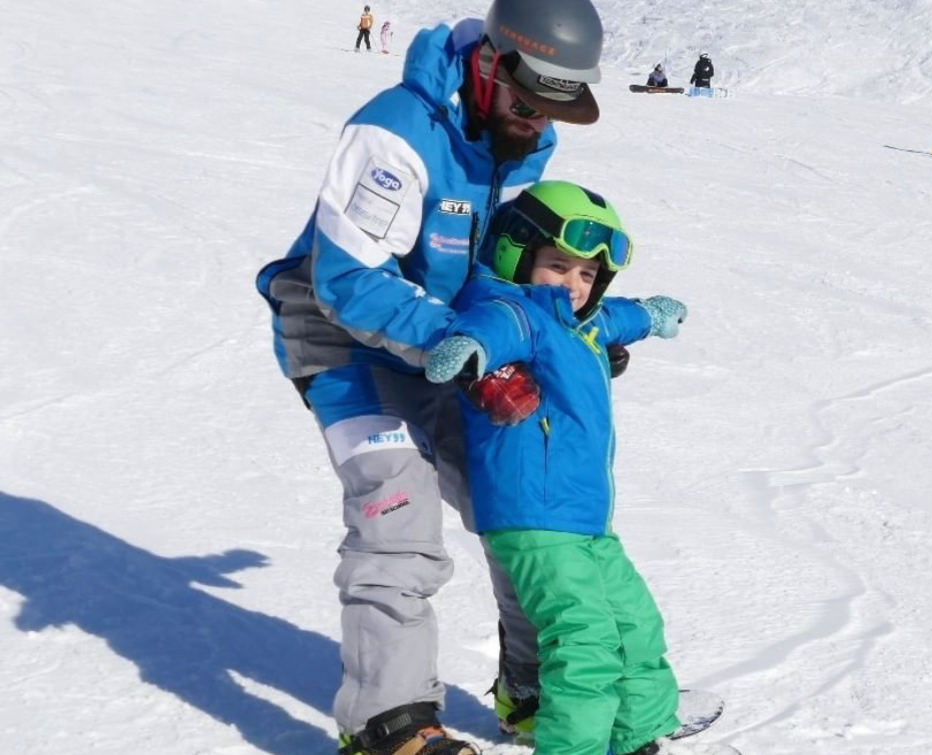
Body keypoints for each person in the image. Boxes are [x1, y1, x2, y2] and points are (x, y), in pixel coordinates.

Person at [254, 1, 609, 754]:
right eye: (528, 102)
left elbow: (488, 261)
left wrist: (554, 336)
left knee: (520, 502)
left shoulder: (518, 135)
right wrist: (460, 344)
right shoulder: (395, 132)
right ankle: (390, 724)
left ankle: (534, 687)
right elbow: (347, 280)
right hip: (342, 340)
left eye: (551, 110)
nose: (538, 123)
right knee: (400, 518)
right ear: (490, 62)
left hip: (445, 338)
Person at [422, 180, 696, 755]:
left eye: (587, 275)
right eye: (559, 266)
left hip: (586, 518)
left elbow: (614, 318)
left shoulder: (583, 321)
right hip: (534, 514)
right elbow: (494, 327)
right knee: (585, 641)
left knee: (635, 628)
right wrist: (470, 347)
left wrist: (649, 314)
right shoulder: (515, 309)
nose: (573, 285)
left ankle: (636, 738)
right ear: (516, 254)